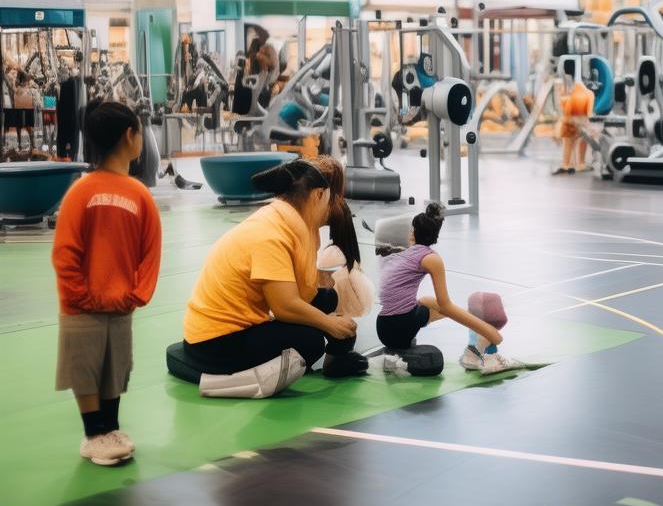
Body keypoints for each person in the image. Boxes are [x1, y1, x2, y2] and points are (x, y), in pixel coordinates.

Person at [182, 156, 367, 390]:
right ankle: (230, 382)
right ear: (319, 195)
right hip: (216, 342)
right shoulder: (271, 234)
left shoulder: (287, 222)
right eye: (330, 198)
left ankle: (336, 360)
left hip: (231, 329)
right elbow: (284, 306)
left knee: (327, 299)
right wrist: (329, 324)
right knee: (309, 342)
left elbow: (304, 294)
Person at [52, 101, 163, 466]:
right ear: (129, 136)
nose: (141, 138)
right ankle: (93, 435)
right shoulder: (81, 192)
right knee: (85, 369)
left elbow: (150, 250)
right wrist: (80, 296)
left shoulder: (140, 195)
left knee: (115, 368)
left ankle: (110, 429)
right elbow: (65, 252)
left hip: (120, 305)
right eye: (139, 130)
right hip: (81, 308)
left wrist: (136, 294)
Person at [376, 203, 525, 375]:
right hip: (399, 328)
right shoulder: (430, 258)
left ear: (413, 233)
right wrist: (490, 332)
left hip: (383, 325)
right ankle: (486, 353)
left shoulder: (404, 253)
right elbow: (445, 306)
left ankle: (474, 348)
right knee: (452, 307)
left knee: (426, 301)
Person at [554, 78, 594, 174]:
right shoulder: (586, 93)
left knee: (571, 142)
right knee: (573, 141)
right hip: (578, 120)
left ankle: (569, 164)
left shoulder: (569, 95)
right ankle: (575, 164)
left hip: (574, 120)